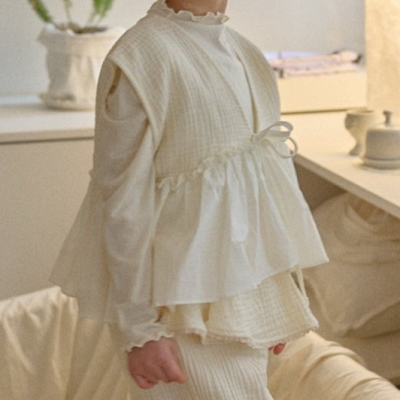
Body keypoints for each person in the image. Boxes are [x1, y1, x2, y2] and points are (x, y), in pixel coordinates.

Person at [51, 0, 328, 398]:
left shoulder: (245, 53)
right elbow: (123, 203)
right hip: (173, 309)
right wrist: (140, 328)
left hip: (238, 300)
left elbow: (262, 190)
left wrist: (276, 295)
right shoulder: (142, 57)